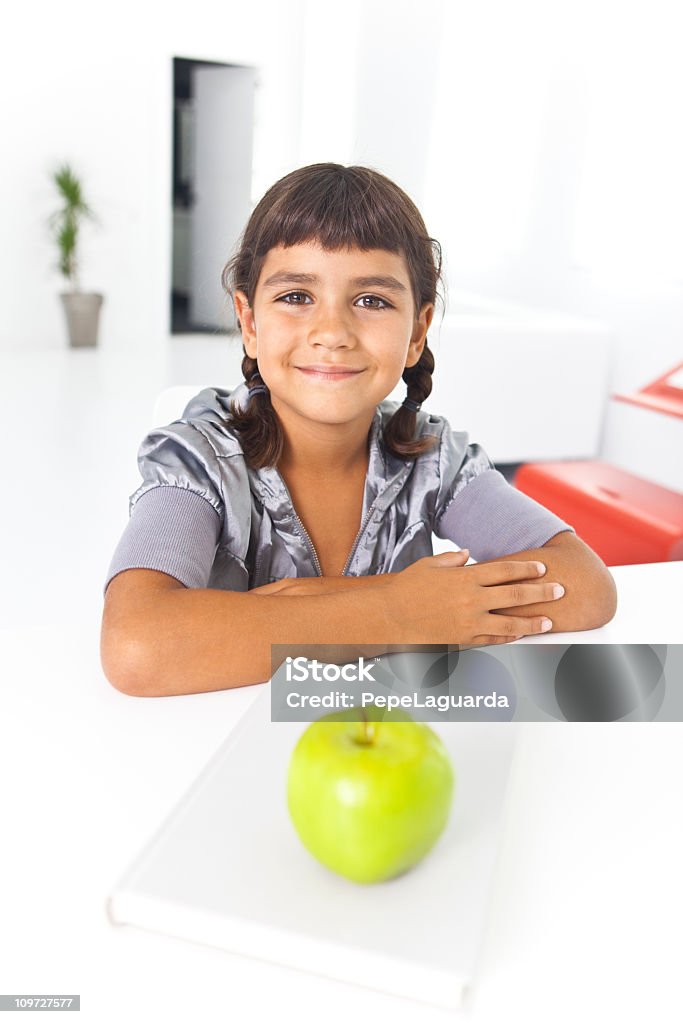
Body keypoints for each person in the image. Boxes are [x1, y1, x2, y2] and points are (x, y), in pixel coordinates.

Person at [100, 163, 616, 697]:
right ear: (249, 322)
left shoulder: (435, 458)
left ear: (416, 332)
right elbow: (137, 646)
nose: (332, 333)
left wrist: (301, 614)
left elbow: (585, 585)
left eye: (372, 301)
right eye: (297, 296)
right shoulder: (199, 459)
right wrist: (401, 612)